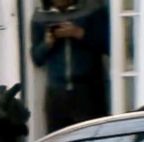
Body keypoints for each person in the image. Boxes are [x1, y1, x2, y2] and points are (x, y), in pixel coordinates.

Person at [30, 0, 110, 133]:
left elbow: (109, 46)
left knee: (91, 138)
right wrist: (48, 43)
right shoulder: (40, 17)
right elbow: (37, 59)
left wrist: (79, 33)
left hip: (88, 91)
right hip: (57, 92)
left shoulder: (93, 10)